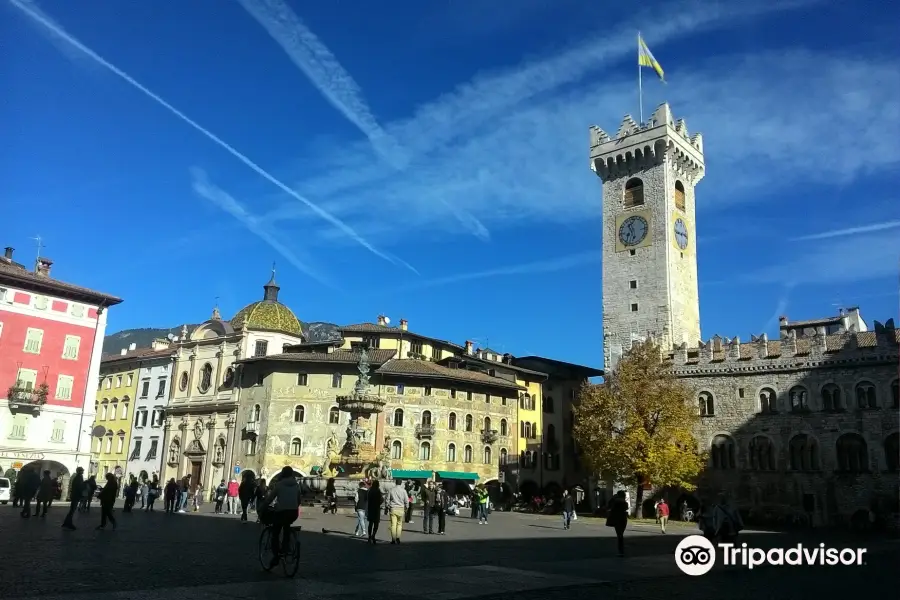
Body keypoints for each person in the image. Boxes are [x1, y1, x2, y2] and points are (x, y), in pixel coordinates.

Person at [260, 467, 302, 568]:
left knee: (275, 533)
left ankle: (276, 557)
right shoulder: (296, 485)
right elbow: (299, 500)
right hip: (293, 513)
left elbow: (270, 499)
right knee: (286, 527)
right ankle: (286, 547)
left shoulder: (279, 485)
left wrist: (262, 507)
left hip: (282, 512)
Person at [606, 491, 629, 557]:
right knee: (620, 534)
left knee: (619, 535)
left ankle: (621, 551)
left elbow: (609, 506)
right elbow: (626, 508)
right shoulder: (624, 502)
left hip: (617, 518)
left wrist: (613, 498)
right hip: (623, 518)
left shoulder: (615, 501)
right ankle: (621, 550)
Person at [387, 480, 410, 544]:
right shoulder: (403, 491)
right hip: (401, 508)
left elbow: (387, 499)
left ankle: (393, 539)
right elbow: (406, 500)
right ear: (401, 483)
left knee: (393, 524)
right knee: (399, 524)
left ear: (395, 483)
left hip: (393, 508)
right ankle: (398, 537)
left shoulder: (391, 490)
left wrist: (388, 506)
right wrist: (407, 507)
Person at [366, 480, 383, 544]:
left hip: (370, 508)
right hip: (376, 509)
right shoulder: (378, 491)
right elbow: (381, 500)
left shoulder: (370, 491)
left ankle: (369, 536)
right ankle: (373, 535)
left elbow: (368, 499)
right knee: (376, 523)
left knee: (370, 523)